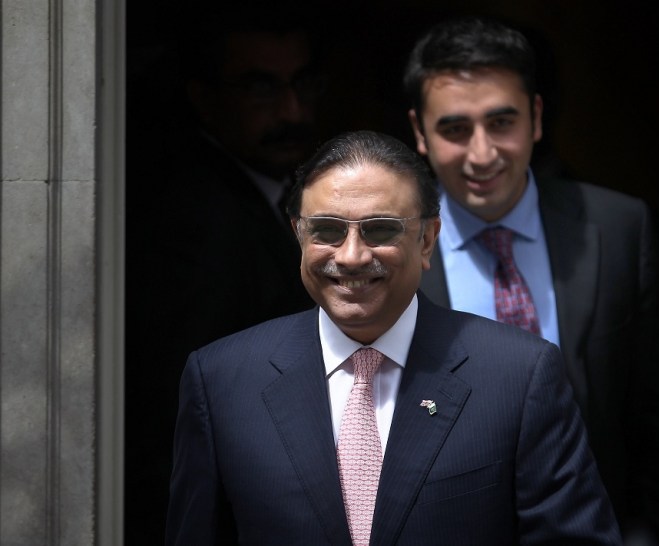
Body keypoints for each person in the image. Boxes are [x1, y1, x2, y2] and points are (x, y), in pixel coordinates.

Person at [164, 129, 620, 545]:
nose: (353, 256)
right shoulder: (221, 381)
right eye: (327, 230)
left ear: (426, 240)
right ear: (298, 235)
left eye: (381, 230)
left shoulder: (518, 377)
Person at [403, 16, 659, 545]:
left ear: (535, 117)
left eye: (501, 122)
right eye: (455, 129)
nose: (482, 154)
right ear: (420, 132)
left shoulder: (619, 227)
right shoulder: (386, 252)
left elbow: (656, 417)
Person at [125, 3, 323, 542]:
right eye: (260, 88)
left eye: (301, 83)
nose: (291, 110)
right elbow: (178, 416)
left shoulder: (285, 196)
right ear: (205, 98)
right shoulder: (190, 222)